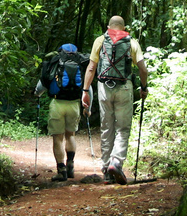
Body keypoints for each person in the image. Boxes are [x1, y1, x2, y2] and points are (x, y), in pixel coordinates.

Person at [81, 16, 149, 184]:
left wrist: (85, 91)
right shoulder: (132, 42)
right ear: (124, 27)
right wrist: (144, 87)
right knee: (123, 128)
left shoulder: (100, 40)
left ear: (108, 26)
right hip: (124, 87)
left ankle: (106, 169)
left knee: (106, 127)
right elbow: (143, 69)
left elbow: (91, 67)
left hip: (104, 88)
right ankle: (116, 161)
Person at [34, 43, 87, 181]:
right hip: (75, 103)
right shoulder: (80, 63)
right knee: (71, 135)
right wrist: (88, 106)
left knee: (58, 138)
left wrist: (37, 94)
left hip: (57, 103)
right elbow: (87, 88)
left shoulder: (55, 62)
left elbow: (42, 84)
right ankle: (71, 165)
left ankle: (61, 170)